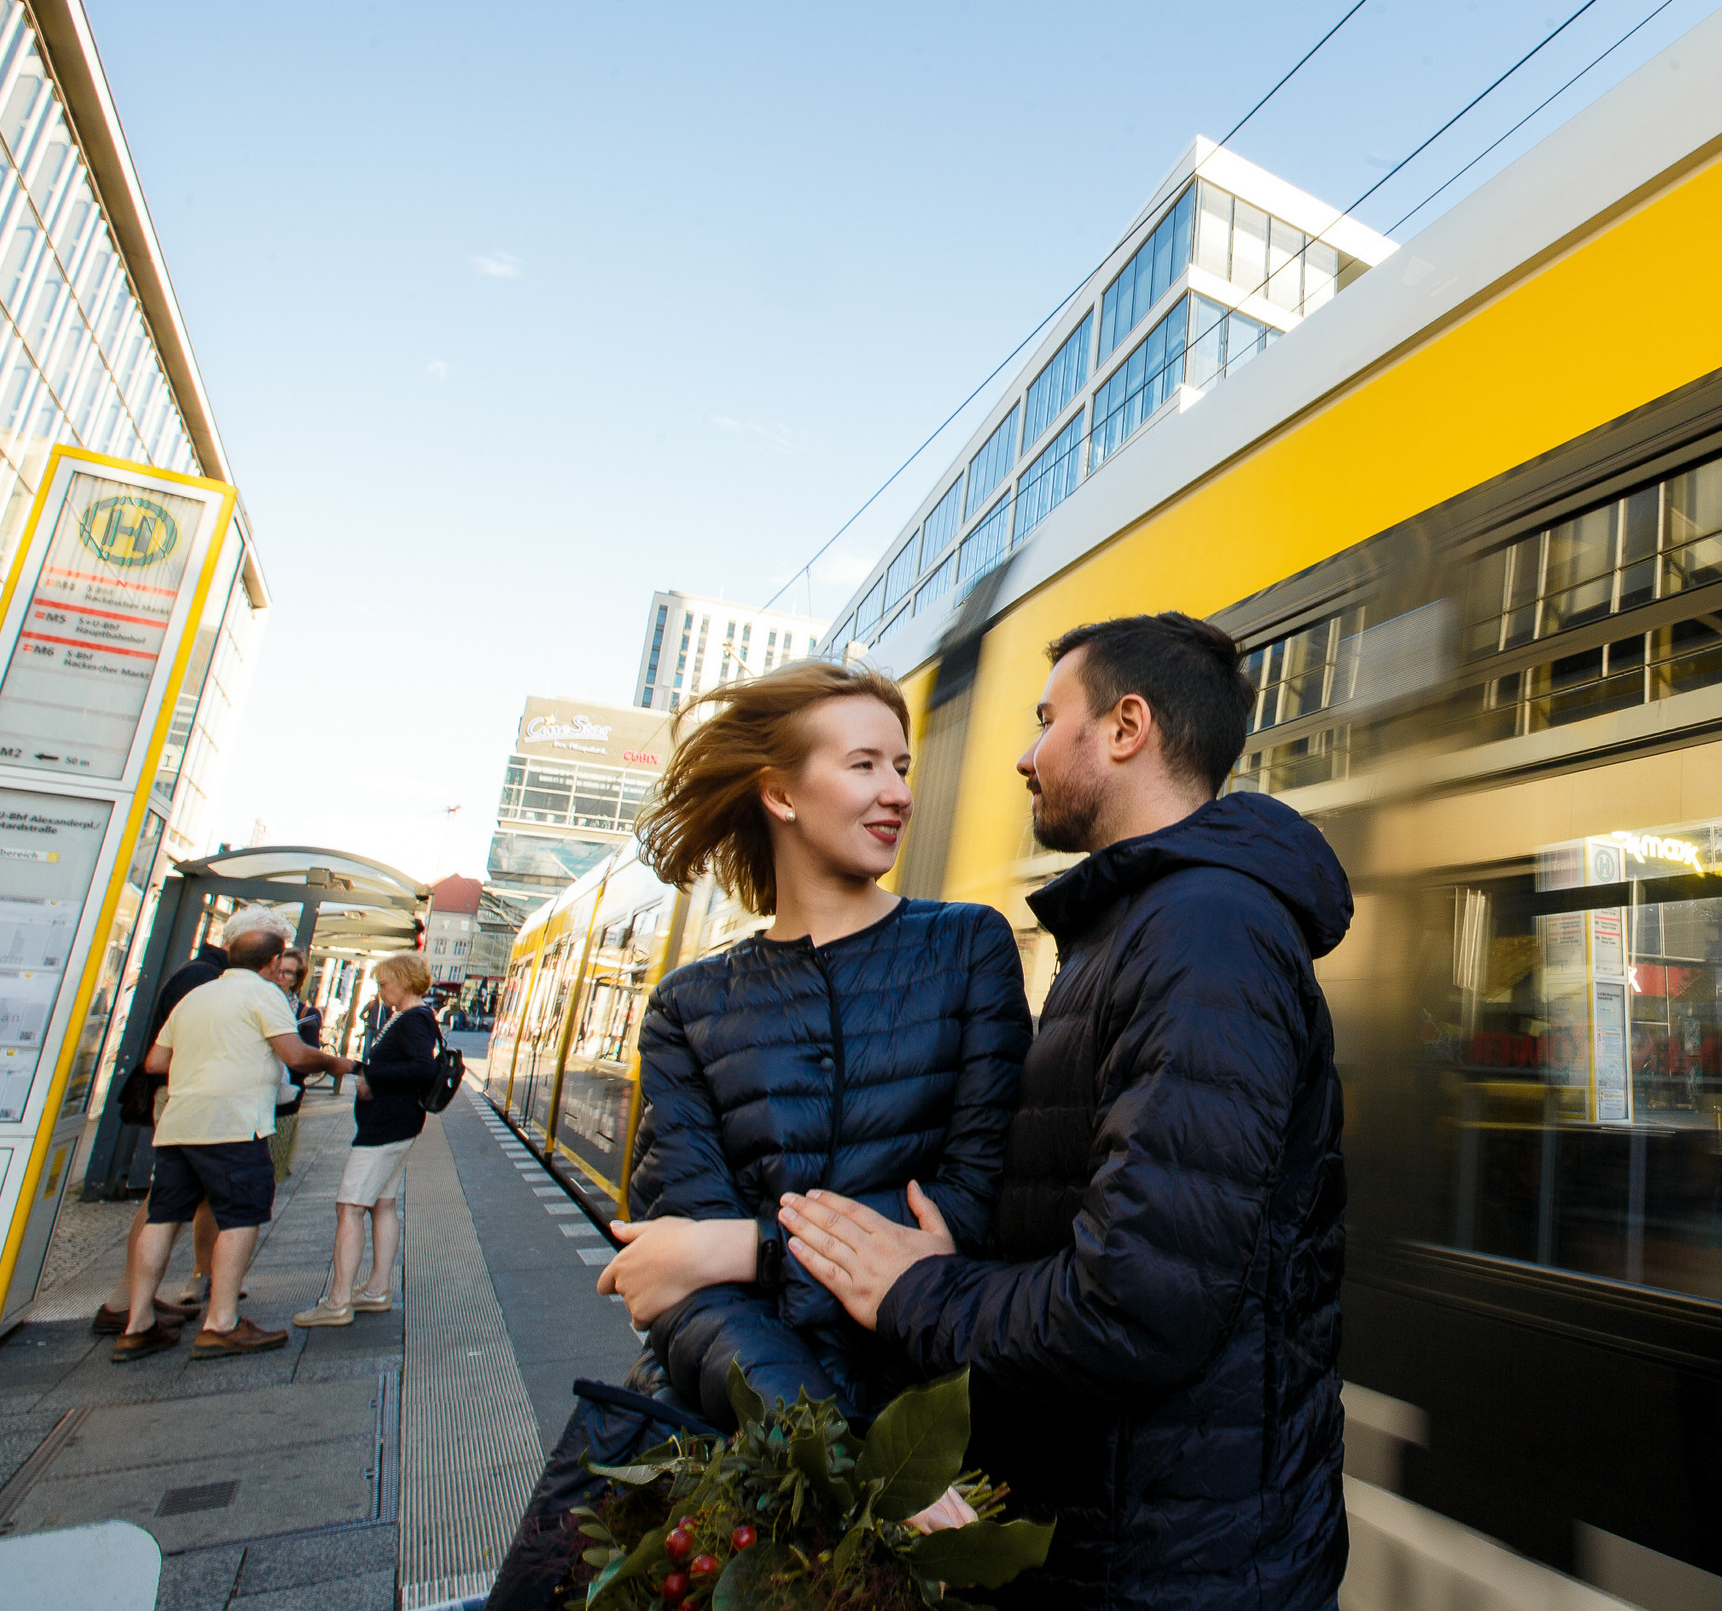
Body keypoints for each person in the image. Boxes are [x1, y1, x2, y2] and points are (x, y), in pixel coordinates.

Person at [781, 613, 1354, 1611]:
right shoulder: (1144, 929)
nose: (1023, 754)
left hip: (1175, 1566)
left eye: (1050, 720)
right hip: (1135, 1533)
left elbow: (1136, 1305)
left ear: (1125, 728)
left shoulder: (1202, 937)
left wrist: (921, 1292)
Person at [479, 661, 1031, 1611]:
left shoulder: (967, 949)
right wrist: (850, 1469)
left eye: (901, 766)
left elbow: (969, 1217)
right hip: (732, 1451)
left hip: (936, 1447)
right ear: (779, 791)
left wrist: (735, 1244)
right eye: (864, 765)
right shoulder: (690, 1007)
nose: (898, 791)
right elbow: (673, 1289)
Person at [109, 917, 358, 1361]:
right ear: (269, 961)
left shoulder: (198, 995)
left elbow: (154, 1061)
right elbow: (296, 1055)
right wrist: (338, 1064)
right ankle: (221, 1323)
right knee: (240, 1217)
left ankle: (137, 1323)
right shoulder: (265, 994)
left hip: (180, 1124)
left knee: (162, 1216)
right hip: (233, 1124)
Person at [96, 912, 265, 1335]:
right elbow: (174, 1053)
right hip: (194, 1099)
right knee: (166, 1205)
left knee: (176, 1202)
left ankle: (142, 1304)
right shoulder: (208, 981)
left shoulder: (204, 974)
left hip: (187, 1097)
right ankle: (126, 1302)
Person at [294, 952, 441, 1327]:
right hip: (396, 1124)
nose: (381, 989)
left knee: (350, 1207)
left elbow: (422, 1069)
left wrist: (369, 1073)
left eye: (385, 982)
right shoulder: (412, 1017)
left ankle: (338, 1300)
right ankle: (376, 1289)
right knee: (382, 1204)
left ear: (405, 981)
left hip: (385, 1128)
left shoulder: (413, 1019)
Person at [265, 949, 319, 1183]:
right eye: (278, 971)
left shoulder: (306, 1014)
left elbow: (307, 1061)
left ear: (298, 979)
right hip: (246, 1101)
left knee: (269, 1174)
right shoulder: (253, 1003)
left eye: (288, 973)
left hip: (283, 1103)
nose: (281, 977)